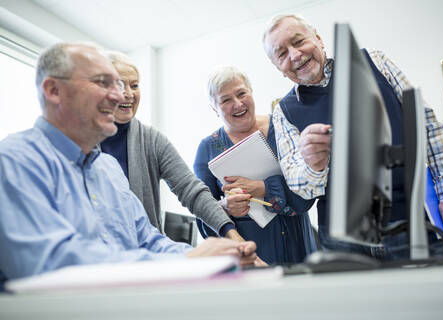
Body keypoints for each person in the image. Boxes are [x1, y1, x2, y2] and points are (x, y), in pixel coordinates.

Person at [0, 42, 256, 286]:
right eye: (103, 83)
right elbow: (49, 261)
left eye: (127, 85)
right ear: (54, 91)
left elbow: (149, 239)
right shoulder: (14, 162)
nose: (119, 95)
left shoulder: (109, 171)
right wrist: (185, 262)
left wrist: (210, 255)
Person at [262, 14, 443, 259]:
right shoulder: (283, 112)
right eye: (282, 54)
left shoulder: (376, 63)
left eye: (298, 42)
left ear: (318, 38)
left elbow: (428, 127)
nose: (294, 55)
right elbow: (300, 187)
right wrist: (312, 165)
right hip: (343, 244)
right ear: (278, 68)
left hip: (410, 222)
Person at [100, 51, 245, 242]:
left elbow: (190, 190)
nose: (129, 93)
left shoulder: (152, 140)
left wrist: (231, 234)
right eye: (120, 85)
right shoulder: (84, 140)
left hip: (145, 254)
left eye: (134, 85)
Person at [194, 65, 317, 265]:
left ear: (251, 92)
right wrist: (224, 207)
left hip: (300, 250)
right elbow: (202, 213)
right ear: (214, 108)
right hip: (251, 259)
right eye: (225, 100)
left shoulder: (283, 128)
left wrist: (262, 188)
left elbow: (308, 188)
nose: (237, 104)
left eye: (242, 93)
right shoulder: (208, 148)